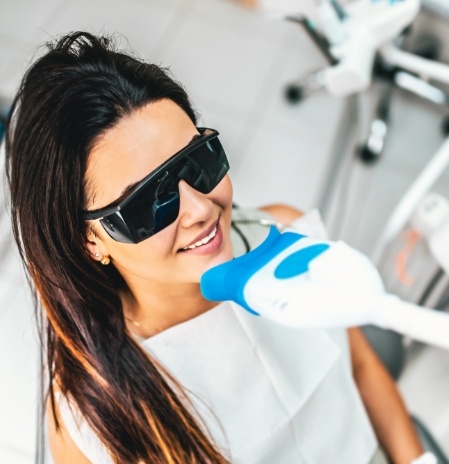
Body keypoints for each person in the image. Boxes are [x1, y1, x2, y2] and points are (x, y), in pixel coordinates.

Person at [5, 32, 427, 464]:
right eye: (150, 201)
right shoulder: (90, 417)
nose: (200, 209)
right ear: (90, 240)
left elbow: (360, 367)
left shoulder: (281, 229)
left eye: (197, 161)